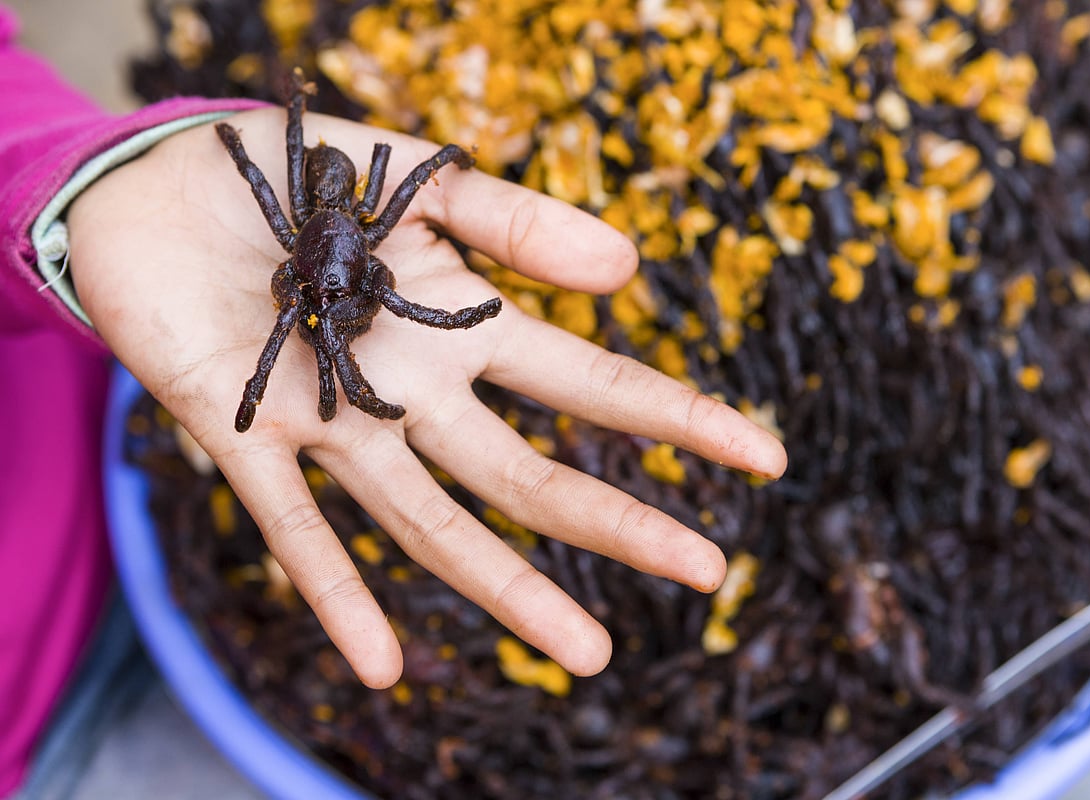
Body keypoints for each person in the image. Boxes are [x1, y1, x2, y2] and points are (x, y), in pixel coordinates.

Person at [0, 3, 786, 795]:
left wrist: (89, 187)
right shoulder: (303, 273)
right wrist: (262, 148)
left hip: (65, 448)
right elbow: (297, 287)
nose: (324, 318)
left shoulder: (361, 250)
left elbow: (401, 246)